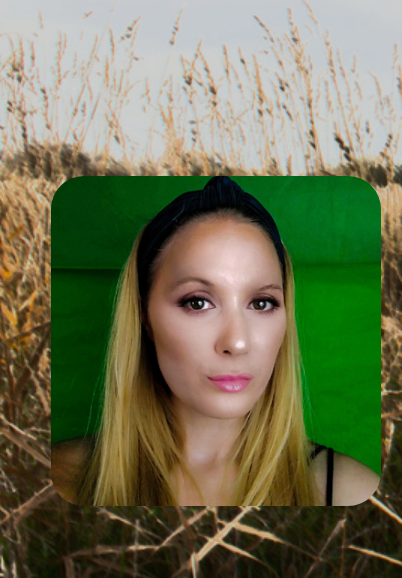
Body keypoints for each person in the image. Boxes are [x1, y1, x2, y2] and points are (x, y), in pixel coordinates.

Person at [49, 176, 378, 506]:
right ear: (143, 315)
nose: (236, 342)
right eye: (198, 302)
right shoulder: (58, 481)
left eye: (262, 303)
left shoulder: (349, 492)